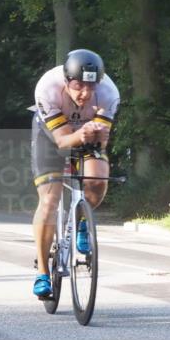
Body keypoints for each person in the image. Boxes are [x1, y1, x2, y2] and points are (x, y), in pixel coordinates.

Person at [30, 49, 120, 299]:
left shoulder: (109, 93)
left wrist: (99, 137)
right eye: (79, 86)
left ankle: (81, 221)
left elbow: (101, 142)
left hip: (87, 134)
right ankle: (43, 273)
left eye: (91, 87)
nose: (85, 94)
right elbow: (61, 141)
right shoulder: (47, 88)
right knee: (49, 200)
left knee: (97, 181)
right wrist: (81, 134)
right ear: (67, 80)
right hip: (51, 137)